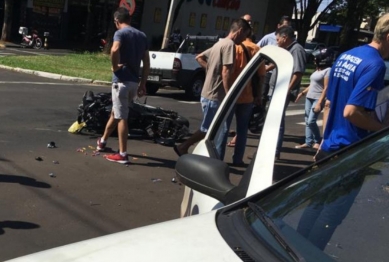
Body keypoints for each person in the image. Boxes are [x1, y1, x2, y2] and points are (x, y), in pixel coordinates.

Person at [315, 13, 389, 161]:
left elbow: (329, 104)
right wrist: (383, 131)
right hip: (350, 149)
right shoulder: (376, 65)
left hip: (329, 147)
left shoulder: (346, 55)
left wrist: (324, 140)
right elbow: (351, 112)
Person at [173, 18, 252, 158]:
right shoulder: (229, 45)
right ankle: (183, 147)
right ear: (239, 31)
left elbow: (200, 57)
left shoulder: (220, 43)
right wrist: (229, 95)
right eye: (245, 35)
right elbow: (226, 71)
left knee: (212, 130)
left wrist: (210, 69)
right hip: (214, 96)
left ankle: (205, 155)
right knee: (208, 129)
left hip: (208, 93)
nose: (245, 39)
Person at [96, 7, 150, 164]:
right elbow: (146, 63)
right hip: (133, 82)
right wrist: (143, 84)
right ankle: (103, 142)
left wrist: (114, 66)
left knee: (121, 117)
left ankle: (123, 154)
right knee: (116, 112)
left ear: (116, 21)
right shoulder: (142, 35)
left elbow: (115, 49)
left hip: (121, 82)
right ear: (130, 19)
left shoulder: (120, 33)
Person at [226, 14, 266, 166]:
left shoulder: (233, 47)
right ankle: (237, 160)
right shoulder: (256, 49)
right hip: (248, 95)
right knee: (242, 130)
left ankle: (218, 158)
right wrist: (259, 95)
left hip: (231, 93)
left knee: (224, 128)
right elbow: (261, 76)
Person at [271, 26, 306, 160]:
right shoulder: (287, 49)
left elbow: (298, 72)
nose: (277, 42)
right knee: (274, 120)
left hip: (283, 91)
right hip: (277, 89)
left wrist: (287, 89)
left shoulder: (297, 50)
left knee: (277, 121)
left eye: (278, 39)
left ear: (285, 37)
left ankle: (275, 151)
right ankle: (272, 150)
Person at [294, 48, 333, 150]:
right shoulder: (318, 70)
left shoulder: (328, 71)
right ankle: (308, 142)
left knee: (311, 121)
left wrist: (319, 102)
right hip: (309, 97)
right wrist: (302, 93)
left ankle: (317, 141)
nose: (314, 60)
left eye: (317, 58)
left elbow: (326, 88)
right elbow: (312, 85)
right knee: (307, 120)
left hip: (317, 98)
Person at [257, 16, 292, 106]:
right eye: (284, 26)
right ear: (278, 26)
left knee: (274, 97)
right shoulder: (268, 37)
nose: (286, 29)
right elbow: (257, 50)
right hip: (267, 71)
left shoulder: (288, 41)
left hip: (279, 73)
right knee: (263, 95)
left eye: (288, 27)